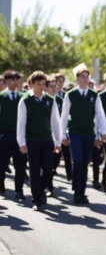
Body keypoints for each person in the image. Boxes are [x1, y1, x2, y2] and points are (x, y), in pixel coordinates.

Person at [61, 68, 106, 204]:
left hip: (89, 133)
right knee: (78, 161)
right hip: (75, 133)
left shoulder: (94, 95)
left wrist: (103, 132)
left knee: (85, 163)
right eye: (82, 76)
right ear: (77, 78)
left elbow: (100, 114)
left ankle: (82, 192)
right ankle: (76, 191)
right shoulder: (70, 94)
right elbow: (64, 117)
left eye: (87, 77)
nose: (85, 79)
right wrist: (63, 135)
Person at [17, 71, 61, 211]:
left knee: (48, 169)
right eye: (38, 84)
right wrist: (21, 142)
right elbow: (21, 123)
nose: (41, 87)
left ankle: (40, 190)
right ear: (31, 84)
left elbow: (55, 122)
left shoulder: (50, 100)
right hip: (32, 141)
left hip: (47, 140)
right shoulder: (25, 100)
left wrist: (58, 141)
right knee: (34, 171)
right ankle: (36, 200)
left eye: (43, 84)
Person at [0, 70, 26, 199]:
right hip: (4, 135)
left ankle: (19, 190)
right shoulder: (1, 96)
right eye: (12, 79)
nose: (16, 82)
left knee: (20, 164)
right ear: (6, 81)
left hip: (19, 136)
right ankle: (1, 185)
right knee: (2, 163)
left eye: (17, 79)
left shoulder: (23, 97)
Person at [45, 76, 63, 197]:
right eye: (51, 86)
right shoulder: (42, 100)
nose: (54, 89)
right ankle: (48, 187)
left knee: (55, 163)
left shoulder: (61, 100)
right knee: (47, 164)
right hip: (45, 137)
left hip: (58, 137)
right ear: (45, 87)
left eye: (55, 86)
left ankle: (47, 180)